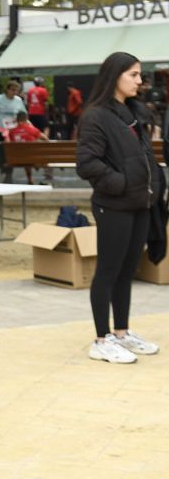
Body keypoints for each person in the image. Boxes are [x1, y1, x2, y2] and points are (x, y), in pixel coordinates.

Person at [76, 51, 162, 364]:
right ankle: (101, 340)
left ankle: (122, 333)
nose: (140, 81)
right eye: (133, 75)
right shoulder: (96, 116)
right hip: (114, 204)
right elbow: (87, 164)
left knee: (127, 271)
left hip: (140, 203)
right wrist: (122, 183)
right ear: (115, 76)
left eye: (140, 75)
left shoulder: (133, 112)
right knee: (108, 271)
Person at [7, 111, 50, 184]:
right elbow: (46, 138)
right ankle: (45, 179)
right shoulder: (31, 129)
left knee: (24, 153)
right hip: (32, 158)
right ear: (26, 119)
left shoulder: (12, 131)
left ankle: (30, 180)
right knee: (36, 152)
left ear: (17, 120)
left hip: (17, 159)